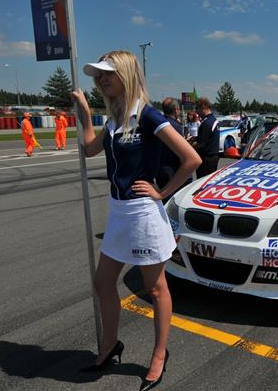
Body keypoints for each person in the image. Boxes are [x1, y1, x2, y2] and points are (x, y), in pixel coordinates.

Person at [72, 50, 201, 390]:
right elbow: (89, 149)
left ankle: (159, 355)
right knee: (102, 284)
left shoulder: (146, 114)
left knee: (156, 289)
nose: (101, 79)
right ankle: (110, 345)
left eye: (107, 74)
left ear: (126, 75)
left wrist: (163, 192)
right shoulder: (114, 118)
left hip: (143, 214)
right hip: (118, 214)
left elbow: (191, 158)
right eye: (98, 75)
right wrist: (86, 114)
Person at [156, 97, 185, 201]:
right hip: (172, 168)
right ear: (176, 109)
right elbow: (181, 151)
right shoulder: (175, 126)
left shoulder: (158, 123)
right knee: (173, 199)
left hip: (159, 167)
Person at [193, 97, 220, 178]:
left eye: (197, 108)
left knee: (202, 182)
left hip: (206, 159)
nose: (196, 112)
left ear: (203, 107)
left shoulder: (206, 122)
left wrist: (190, 146)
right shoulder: (213, 119)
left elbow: (201, 143)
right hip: (213, 157)